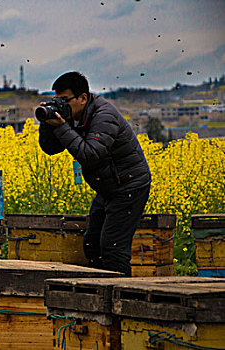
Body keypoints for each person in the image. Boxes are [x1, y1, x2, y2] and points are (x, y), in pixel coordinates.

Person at [38, 71, 151, 276]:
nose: (61, 105)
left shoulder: (103, 116)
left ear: (82, 98)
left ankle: (121, 297)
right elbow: (50, 149)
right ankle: (100, 291)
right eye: (57, 100)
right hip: (108, 186)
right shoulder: (74, 114)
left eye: (64, 100)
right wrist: (48, 124)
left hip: (129, 186)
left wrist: (63, 127)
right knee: (91, 244)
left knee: (113, 248)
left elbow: (91, 155)